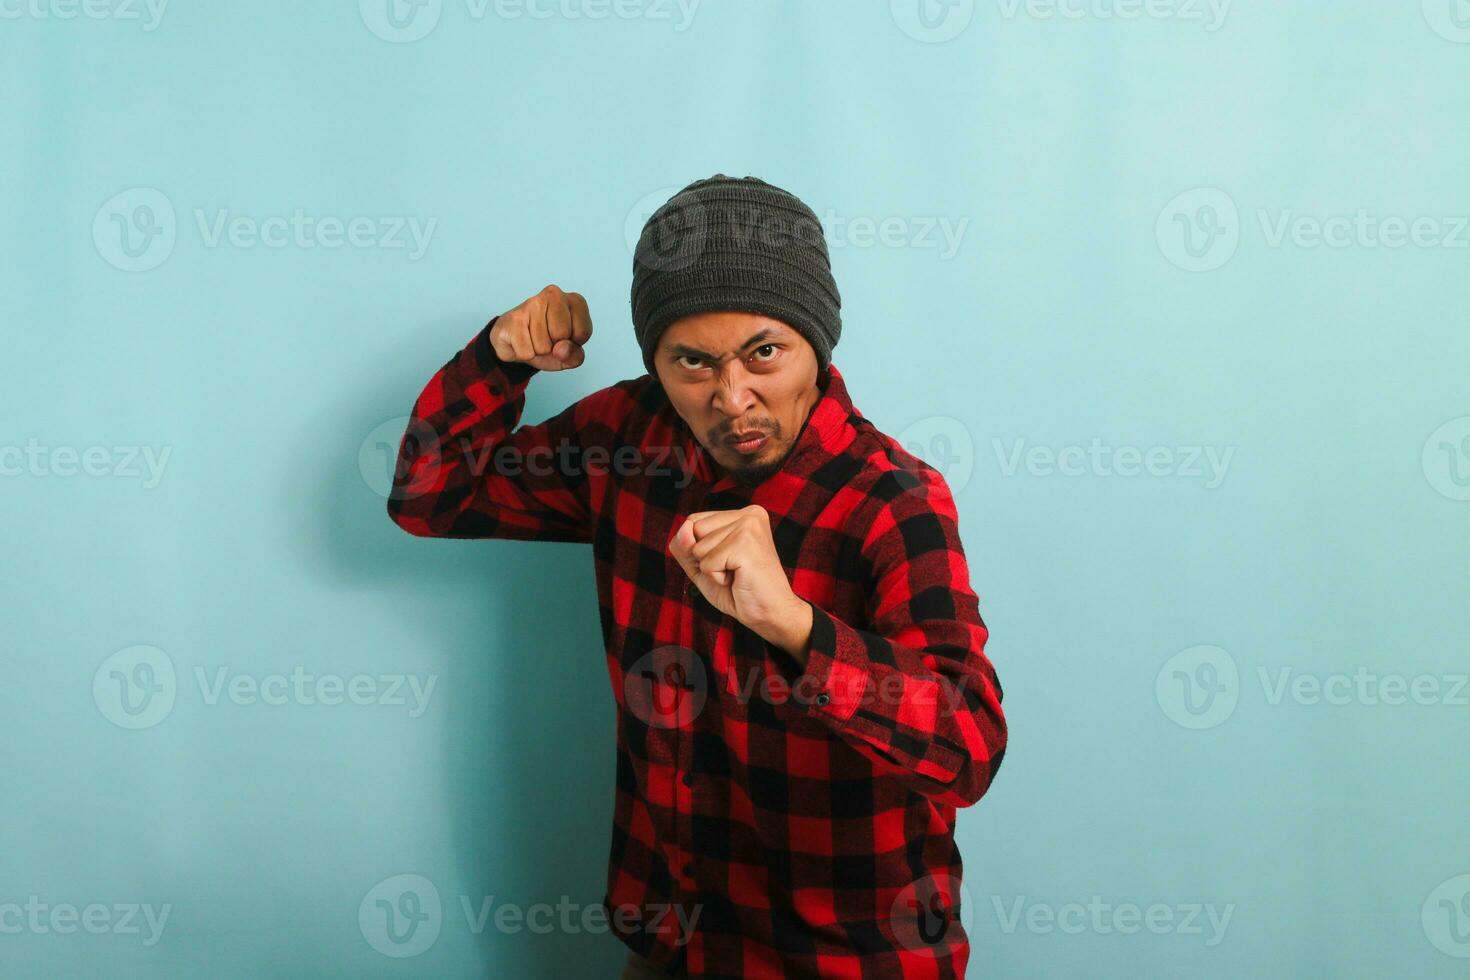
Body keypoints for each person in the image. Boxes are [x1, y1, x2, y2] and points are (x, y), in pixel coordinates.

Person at [386, 174, 1007, 978]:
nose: (733, 397)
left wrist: (797, 626)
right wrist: (499, 362)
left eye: (765, 353)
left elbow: (969, 747)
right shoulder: (626, 440)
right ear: (660, 362)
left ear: (817, 343)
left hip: (844, 961)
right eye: (694, 363)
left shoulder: (892, 499)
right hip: (673, 945)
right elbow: (431, 498)